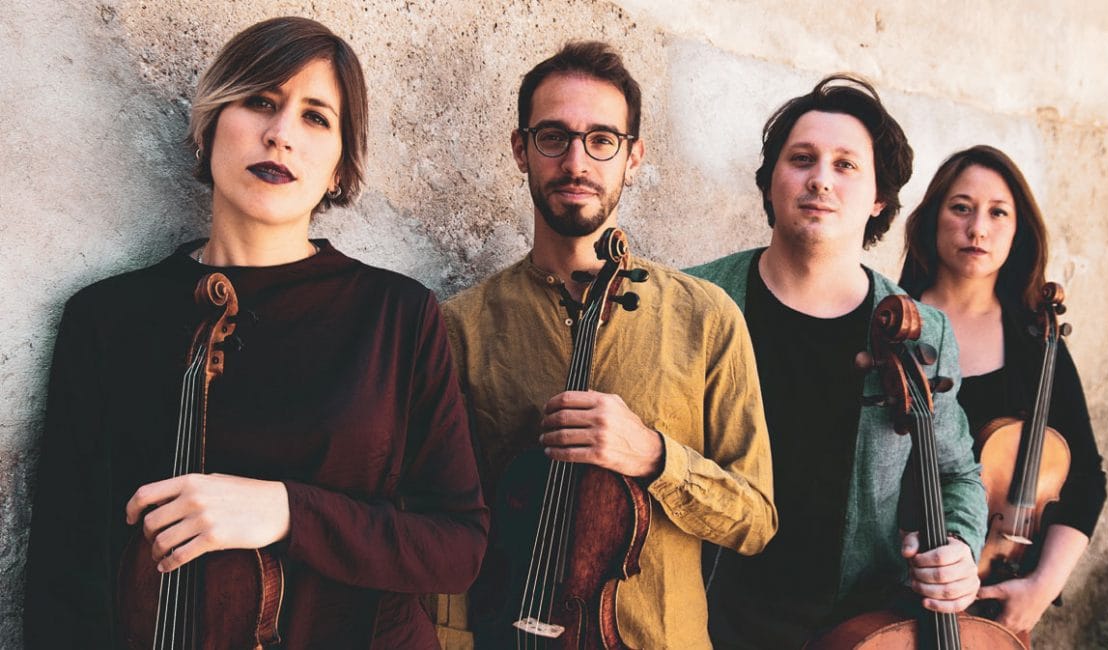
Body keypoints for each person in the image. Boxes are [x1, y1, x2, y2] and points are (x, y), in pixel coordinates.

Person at [23, 17, 486, 649]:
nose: (280, 134)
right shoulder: (106, 319)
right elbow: (63, 576)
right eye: (261, 101)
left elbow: (457, 548)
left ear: (340, 169)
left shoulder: (397, 315)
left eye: (315, 117)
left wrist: (288, 511)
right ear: (210, 126)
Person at [437, 41, 777, 649]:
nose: (576, 161)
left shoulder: (705, 317)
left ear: (633, 156)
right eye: (553, 137)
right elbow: (444, 523)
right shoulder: (461, 326)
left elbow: (755, 520)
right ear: (520, 150)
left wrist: (654, 456)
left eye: (601, 140)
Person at [686, 75, 987, 648]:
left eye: (846, 164)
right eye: (802, 159)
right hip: (701, 617)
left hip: (853, 629)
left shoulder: (924, 333)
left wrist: (960, 547)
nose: (821, 179)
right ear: (770, 182)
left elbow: (956, 474)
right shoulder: (693, 300)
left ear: (878, 199)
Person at [899, 144, 1107, 641]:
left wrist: (1040, 588)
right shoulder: (895, 325)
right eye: (961, 207)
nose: (978, 229)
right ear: (932, 220)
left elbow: (1085, 480)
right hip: (895, 583)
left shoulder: (1037, 342)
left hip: (994, 598)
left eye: (997, 213)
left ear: (1018, 230)